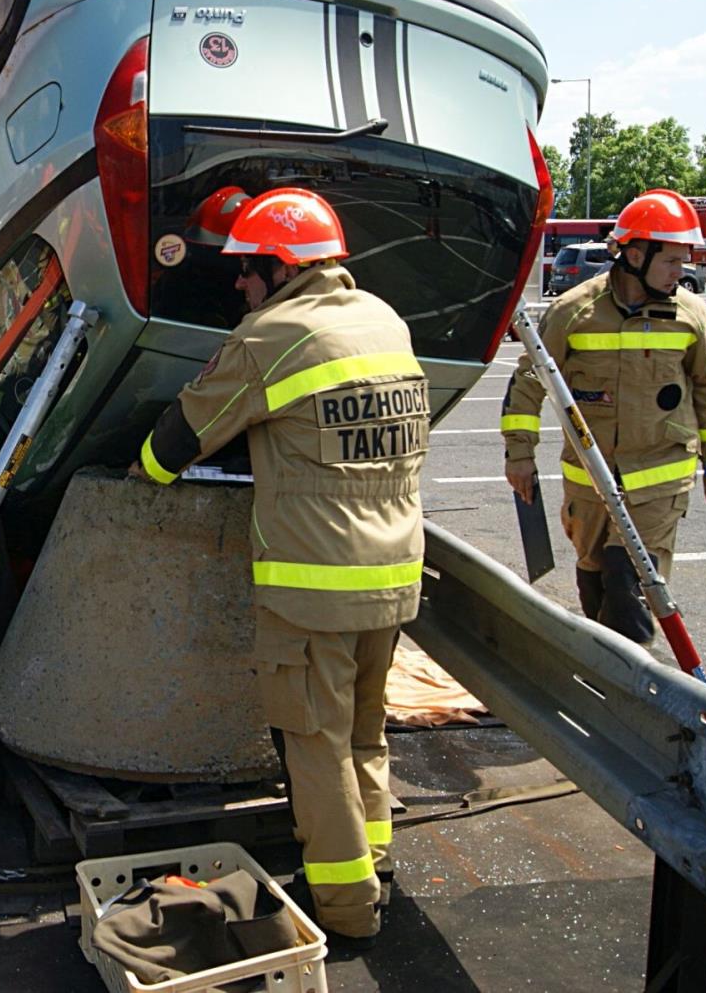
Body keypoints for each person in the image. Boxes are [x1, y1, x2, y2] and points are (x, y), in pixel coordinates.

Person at [131, 188, 427, 948]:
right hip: (394, 575)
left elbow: (174, 446)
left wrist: (137, 466)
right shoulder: (384, 321)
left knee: (314, 745)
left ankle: (346, 907)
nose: (237, 286)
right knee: (366, 733)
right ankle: (376, 863)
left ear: (276, 266)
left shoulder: (272, 335)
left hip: (314, 588)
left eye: (245, 271)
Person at [503, 188, 706, 643]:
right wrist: (519, 456)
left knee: (631, 586)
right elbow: (529, 385)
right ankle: (604, 677)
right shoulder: (573, 312)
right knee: (594, 577)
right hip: (589, 482)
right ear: (633, 254)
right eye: (670, 261)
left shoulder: (691, 315)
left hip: (660, 483)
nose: (679, 273)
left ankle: (635, 701)